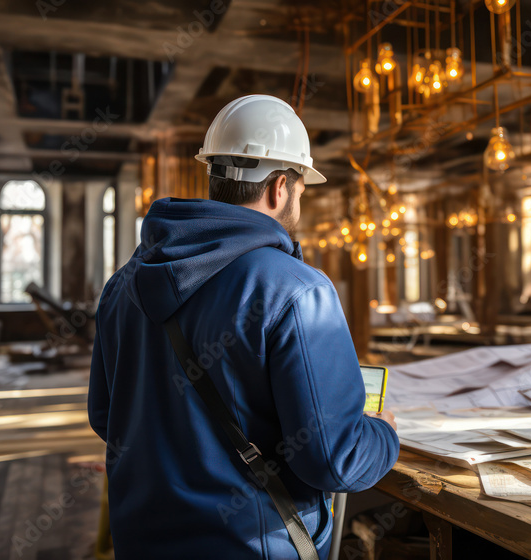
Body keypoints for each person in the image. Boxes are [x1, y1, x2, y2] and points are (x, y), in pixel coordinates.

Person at [88, 95, 400, 559]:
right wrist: (384, 434)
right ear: (279, 187)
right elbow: (335, 460)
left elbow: (104, 416)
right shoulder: (298, 291)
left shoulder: (123, 284)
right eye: (300, 188)